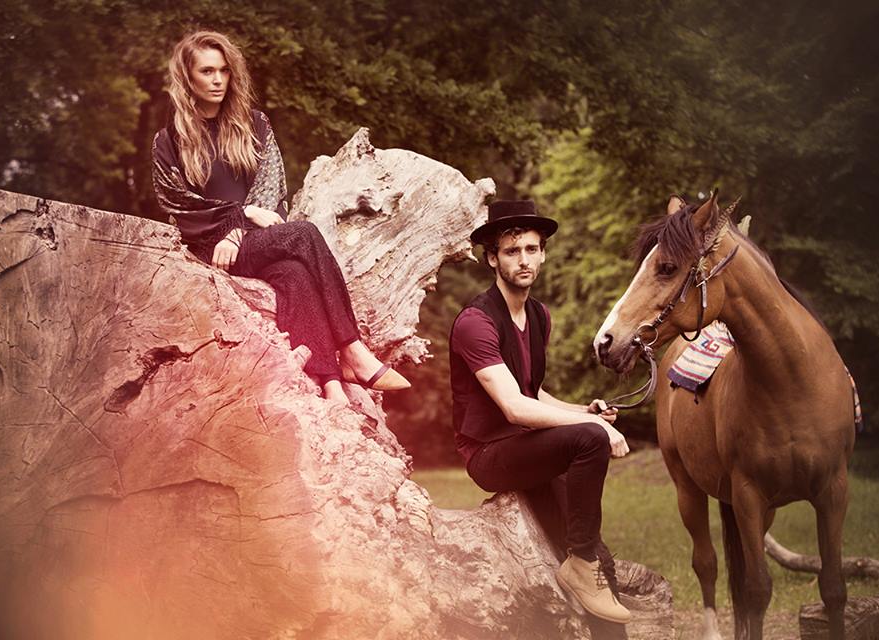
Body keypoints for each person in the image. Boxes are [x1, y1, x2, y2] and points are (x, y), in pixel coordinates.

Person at [151, 31, 409, 402]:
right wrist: (238, 220)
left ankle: (330, 382)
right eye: (207, 71)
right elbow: (178, 202)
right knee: (303, 234)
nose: (218, 79)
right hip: (209, 250)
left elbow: (270, 190)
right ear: (187, 77)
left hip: (249, 243)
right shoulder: (168, 141)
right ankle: (352, 348)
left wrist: (239, 228)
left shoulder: (254, 125)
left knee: (295, 274)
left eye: (224, 70)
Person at [449, 200, 631, 624]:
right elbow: (514, 407)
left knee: (599, 557)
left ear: (543, 253)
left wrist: (584, 410)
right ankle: (581, 562)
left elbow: (533, 392)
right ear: (492, 258)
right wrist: (591, 425)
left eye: (532, 249)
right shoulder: (476, 322)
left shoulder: (538, 315)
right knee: (590, 439)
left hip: (529, 448)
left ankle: (585, 564)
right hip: (489, 454)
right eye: (512, 251)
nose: (523, 260)